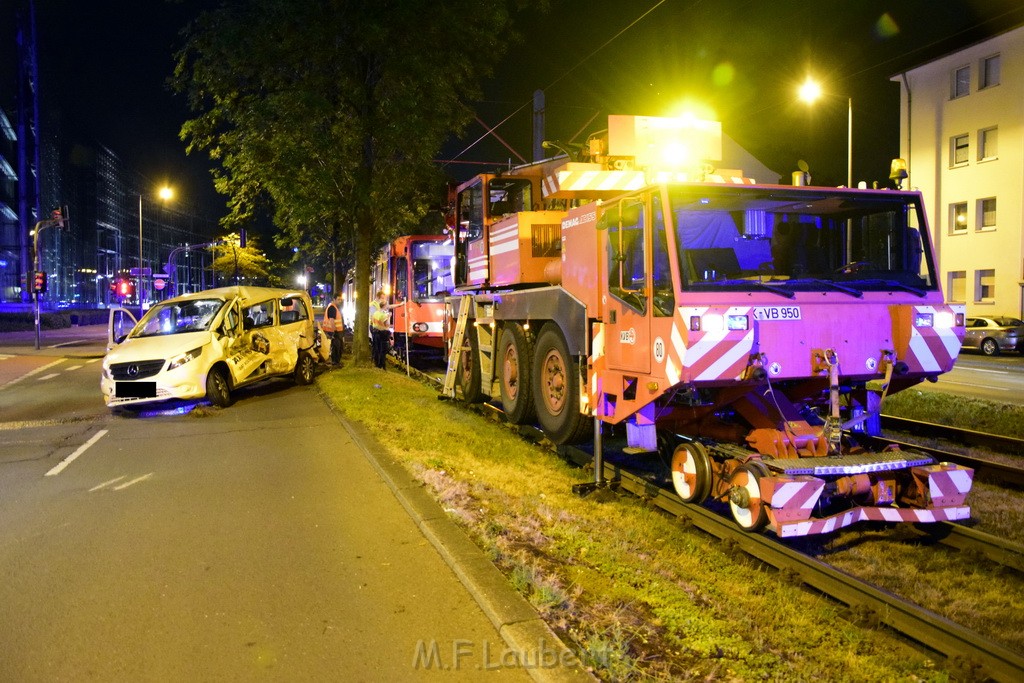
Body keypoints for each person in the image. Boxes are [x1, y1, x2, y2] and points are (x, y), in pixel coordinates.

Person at [369, 290, 401, 369]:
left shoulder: (379, 310)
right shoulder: (373, 305)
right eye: (383, 298)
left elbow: (389, 306)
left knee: (377, 347)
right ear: (379, 298)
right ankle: (380, 365)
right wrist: (387, 317)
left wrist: (399, 305)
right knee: (381, 349)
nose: (384, 299)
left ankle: (378, 364)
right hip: (379, 330)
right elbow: (385, 323)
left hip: (377, 329)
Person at [321, 294, 345, 366]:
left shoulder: (334, 307)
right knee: (336, 347)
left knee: (338, 347)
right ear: (334, 299)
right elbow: (331, 320)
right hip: (335, 331)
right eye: (338, 299)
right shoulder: (332, 308)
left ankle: (336, 361)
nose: (340, 301)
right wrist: (335, 331)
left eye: (340, 299)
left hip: (336, 331)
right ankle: (335, 362)